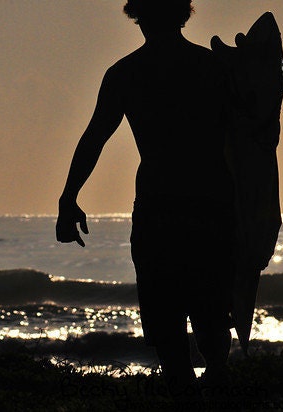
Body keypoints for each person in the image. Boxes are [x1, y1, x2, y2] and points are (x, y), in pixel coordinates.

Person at [56, 0, 235, 401]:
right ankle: (217, 382)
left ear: (138, 17)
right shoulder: (214, 68)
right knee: (211, 311)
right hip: (212, 201)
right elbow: (253, 133)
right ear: (184, 14)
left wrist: (69, 197)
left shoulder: (127, 73)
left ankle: (187, 391)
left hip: (160, 204)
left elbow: (95, 137)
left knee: (166, 317)